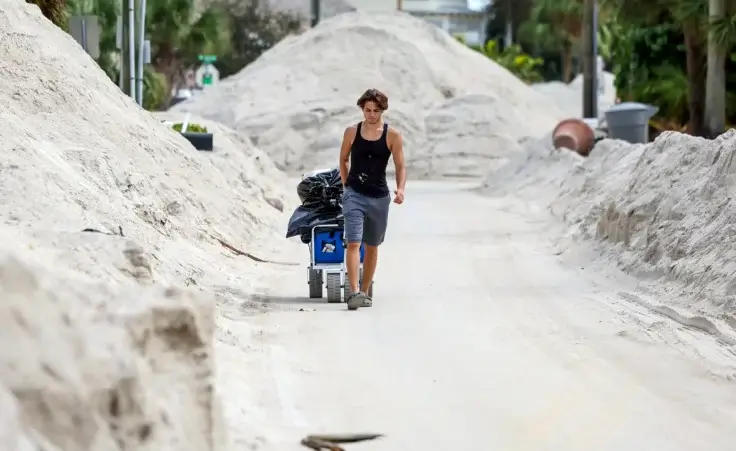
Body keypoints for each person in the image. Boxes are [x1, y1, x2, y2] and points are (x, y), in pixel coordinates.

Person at [339, 88, 406, 310]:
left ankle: (365, 290)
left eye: (376, 110)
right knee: (353, 242)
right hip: (355, 195)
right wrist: (346, 184)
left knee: (372, 246)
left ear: (382, 110)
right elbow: (343, 159)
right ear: (362, 109)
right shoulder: (351, 132)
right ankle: (354, 292)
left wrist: (400, 189)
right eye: (367, 110)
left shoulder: (392, 136)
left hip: (379, 197)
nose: (371, 114)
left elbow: (400, 165)